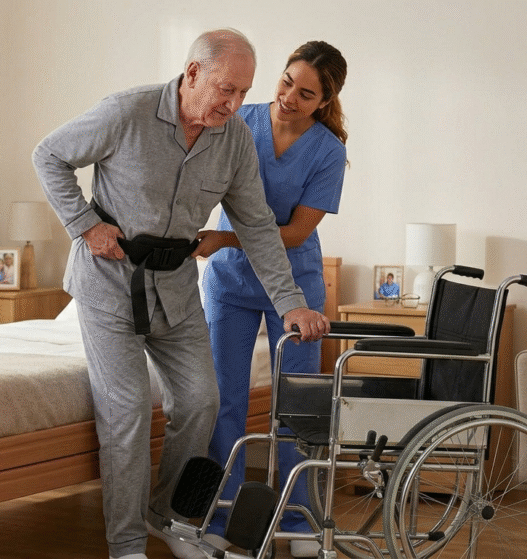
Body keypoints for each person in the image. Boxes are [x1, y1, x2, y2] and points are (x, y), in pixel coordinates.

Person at [32, 29, 331, 559]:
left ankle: (162, 515)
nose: (235, 104)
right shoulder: (127, 112)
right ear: (192, 73)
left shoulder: (234, 136)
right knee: (126, 411)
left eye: (243, 93)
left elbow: (258, 226)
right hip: (108, 286)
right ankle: (126, 546)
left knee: (200, 401)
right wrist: (83, 223)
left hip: (175, 287)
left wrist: (291, 303)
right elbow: (49, 154)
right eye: (224, 89)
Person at [197, 40, 348, 558]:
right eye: (286, 82)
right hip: (231, 283)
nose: (288, 97)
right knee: (225, 403)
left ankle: (299, 521)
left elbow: (293, 232)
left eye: (306, 94)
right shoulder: (238, 123)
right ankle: (224, 517)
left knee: (295, 409)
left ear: (324, 101)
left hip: (294, 284)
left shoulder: (328, 151)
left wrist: (221, 239)